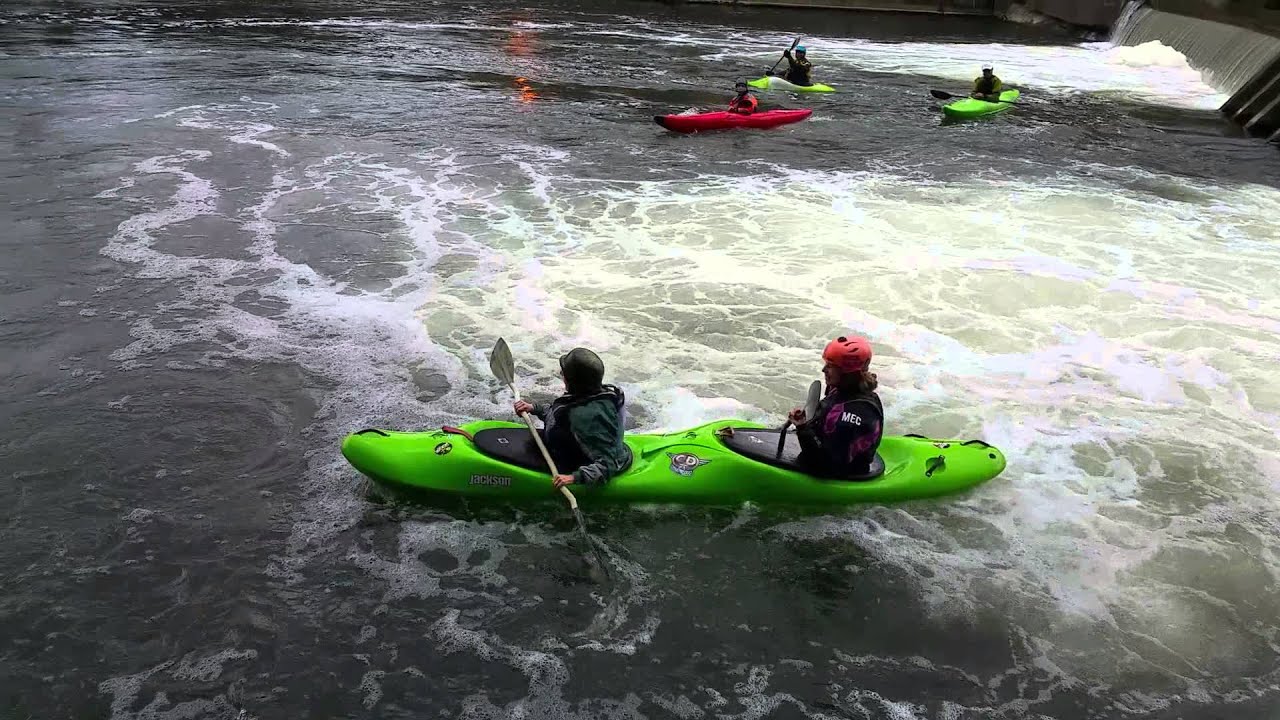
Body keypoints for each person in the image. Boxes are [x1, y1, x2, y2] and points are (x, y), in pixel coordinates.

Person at [513, 347, 632, 489]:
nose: (561, 374)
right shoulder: (590, 395)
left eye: (564, 373)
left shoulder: (588, 417)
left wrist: (573, 478)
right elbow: (560, 417)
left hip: (580, 463)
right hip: (574, 448)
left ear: (572, 381)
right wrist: (534, 408)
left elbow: (608, 464)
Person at [787, 334, 884, 478]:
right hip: (831, 454)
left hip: (840, 473)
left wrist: (802, 427)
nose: (824, 370)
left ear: (847, 373)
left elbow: (825, 462)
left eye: (830, 366)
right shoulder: (844, 390)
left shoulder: (852, 414)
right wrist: (806, 422)